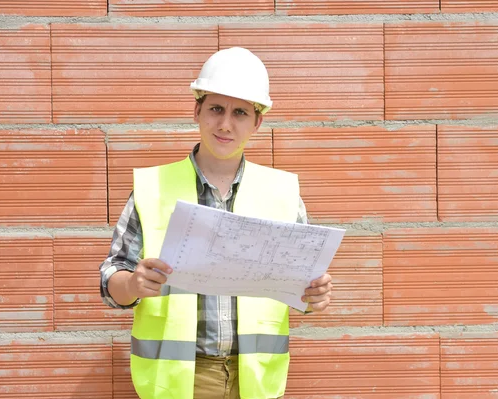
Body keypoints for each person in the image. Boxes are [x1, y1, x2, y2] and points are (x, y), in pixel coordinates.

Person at [99, 46, 333, 399]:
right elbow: (111, 277)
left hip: (254, 380)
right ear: (197, 110)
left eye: (240, 112)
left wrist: (314, 296)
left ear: (257, 122)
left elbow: (300, 288)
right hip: (178, 380)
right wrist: (132, 284)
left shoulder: (282, 193)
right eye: (216, 109)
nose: (225, 123)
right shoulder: (153, 188)